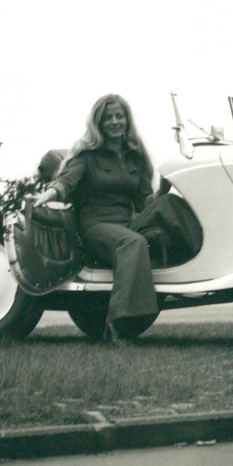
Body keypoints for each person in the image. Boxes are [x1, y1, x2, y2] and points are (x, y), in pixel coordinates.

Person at [33, 94, 158, 342]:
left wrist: (166, 196)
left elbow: (145, 200)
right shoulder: (87, 154)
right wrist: (50, 193)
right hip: (96, 225)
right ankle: (118, 325)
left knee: (154, 238)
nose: (114, 121)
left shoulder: (136, 155)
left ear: (127, 120)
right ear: (98, 123)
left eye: (119, 116)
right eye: (108, 117)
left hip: (127, 224)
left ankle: (136, 318)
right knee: (133, 244)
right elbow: (66, 181)